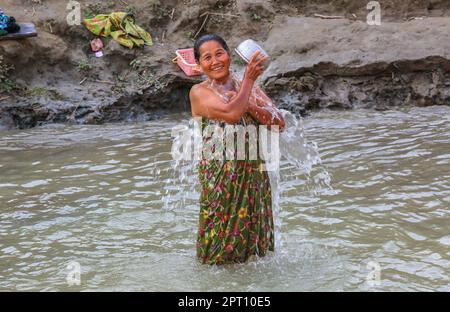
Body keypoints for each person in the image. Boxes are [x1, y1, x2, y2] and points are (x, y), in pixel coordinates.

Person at [189, 34, 285, 265]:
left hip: (253, 171)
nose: (215, 61)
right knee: (217, 242)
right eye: (207, 57)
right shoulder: (199, 92)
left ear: (229, 55)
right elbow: (231, 114)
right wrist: (249, 83)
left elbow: (278, 123)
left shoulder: (245, 86)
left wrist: (250, 101)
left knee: (255, 245)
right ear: (199, 65)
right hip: (221, 177)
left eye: (219, 53)